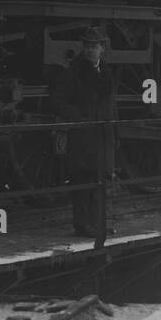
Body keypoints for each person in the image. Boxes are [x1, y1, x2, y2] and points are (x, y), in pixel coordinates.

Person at [48, 26, 116, 238]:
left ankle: (97, 224)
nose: (89, 50)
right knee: (83, 182)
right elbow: (57, 100)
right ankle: (83, 225)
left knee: (99, 181)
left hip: (101, 132)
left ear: (102, 48)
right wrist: (78, 116)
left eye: (94, 46)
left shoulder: (105, 71)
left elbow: (109, 104)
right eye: (86, 46)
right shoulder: (73, 72)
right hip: (83, 134)